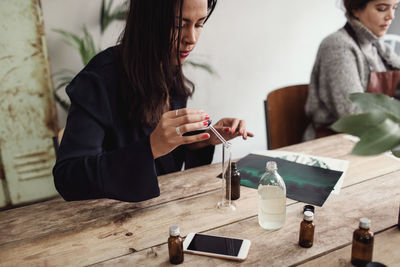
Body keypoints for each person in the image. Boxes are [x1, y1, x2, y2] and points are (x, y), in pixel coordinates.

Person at [53, 0, 254, 202]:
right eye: (178, 25)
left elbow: (164, 157)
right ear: (147, 21)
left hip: (163, 207)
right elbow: (69, 178)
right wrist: (150, 147)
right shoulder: (99, 80)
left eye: (199, 23)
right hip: (110, 220)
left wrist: (204, 139)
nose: (191, 38)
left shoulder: (168, 63)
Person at [304, 0, 400, 140]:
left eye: (395, 8)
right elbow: (353, 116)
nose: (391, 16)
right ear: (356, 9)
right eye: (381, 9)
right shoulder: (337, 46)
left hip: (372, 137)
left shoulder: (378, 46)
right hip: (333, 143)